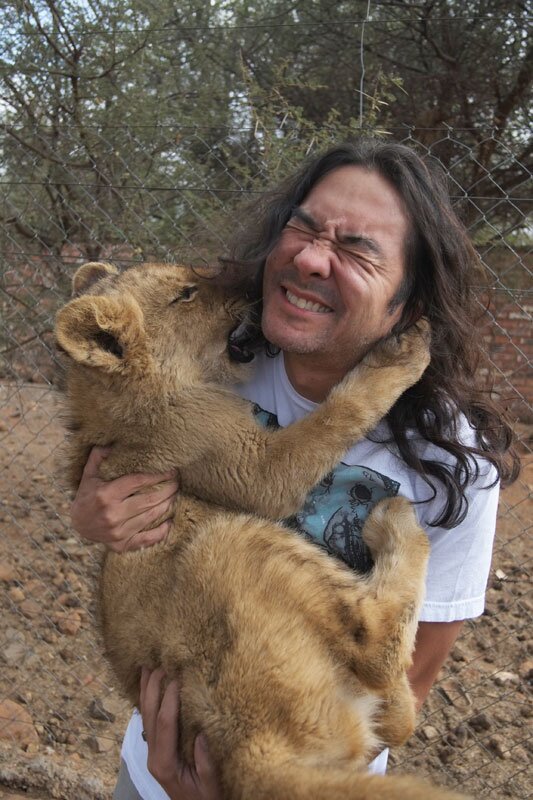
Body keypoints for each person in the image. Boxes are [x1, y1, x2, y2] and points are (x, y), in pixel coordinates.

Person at [71, 139, 518, 800]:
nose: (310, 257)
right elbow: (120, 454)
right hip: (156, 768)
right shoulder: (202, 363)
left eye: (357, 248)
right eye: (303, 227)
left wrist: (244, 783)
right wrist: (94, 512)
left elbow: (400, 700)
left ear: (410, 304)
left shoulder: (452, 467)